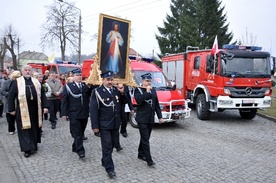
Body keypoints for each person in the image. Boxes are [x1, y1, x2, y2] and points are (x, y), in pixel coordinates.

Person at [90, 70, 126, 179]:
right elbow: (93, 110)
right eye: (108, 80)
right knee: (107, 145)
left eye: (111, 79)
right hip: (104, 123)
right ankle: (110, 169)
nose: (110, 82)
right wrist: (95, 126)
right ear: (103, 80)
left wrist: (123, 93)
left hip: (115, 123)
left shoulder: (116, 91)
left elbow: (123, 102)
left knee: (113, 144)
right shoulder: (97, 92)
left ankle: (104, 160)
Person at [8, 65, 49, 158]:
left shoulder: (36, 82)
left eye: (29, 70)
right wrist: (11, 109)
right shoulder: (16, 82)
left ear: (32, 72)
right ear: (22, 72)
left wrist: (45, 106)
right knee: (24, 128)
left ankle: (34, 145)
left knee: (34, 127)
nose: (27, 72)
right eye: (25, 70)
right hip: (22, 110)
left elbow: (42, 94)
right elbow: (11, 96)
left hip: (35, 109)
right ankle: (27, 149)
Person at [61, 69, 94, 159]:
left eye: (80, 75)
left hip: (84, 113)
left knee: (81, 131)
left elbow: (92, 94)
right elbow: (64, 100)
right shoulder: (69, 86)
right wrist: (64, 113)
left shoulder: (85, 86)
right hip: (74, 113)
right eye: (77, 75)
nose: (79, 77)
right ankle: (81, 151)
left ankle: (75, 146)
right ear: (73, 76)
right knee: (78, 132)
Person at [134, 73, 163, 167]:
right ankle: (149, 160)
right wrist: (146, 92)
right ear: (142, 81)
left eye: (150, 81)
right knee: (145, 139)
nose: (149, 82)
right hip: (142, 118)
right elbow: (139, 100)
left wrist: (160, 116)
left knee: (145, 137)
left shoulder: (154, 90)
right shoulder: (138, 89)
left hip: (150, 118)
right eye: (147, 81)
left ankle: (140, 153)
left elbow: (156, 104)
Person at [1, 70, 21, 135]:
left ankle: (20, 129)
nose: (17, 78)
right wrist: (10, 94)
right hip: (8, 102)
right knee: (10, 118)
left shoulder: (21, 83)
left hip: (18, 102)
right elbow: (2, 91)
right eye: (15, 77)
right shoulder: (6, 82)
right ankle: (11, 129)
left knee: (18, 117)